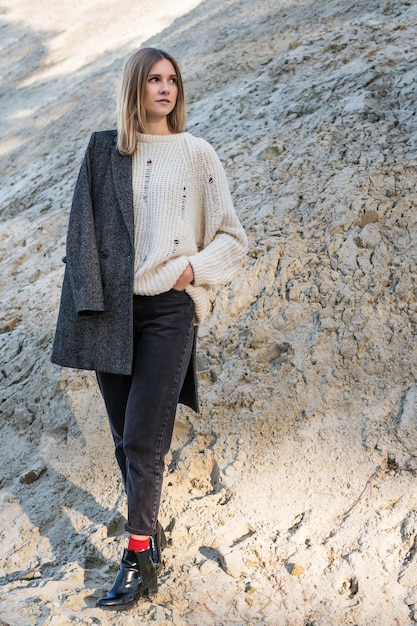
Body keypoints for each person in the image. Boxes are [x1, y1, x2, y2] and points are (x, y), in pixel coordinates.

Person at [51, 46, 247, 611]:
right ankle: (150, 532)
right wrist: (87, 308)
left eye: (173, 80)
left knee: (142, 437)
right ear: (134, 88)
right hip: (111, 313)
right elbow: (79, 234)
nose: (165, 89)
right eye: (154, 80)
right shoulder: (105, 150)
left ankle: (138, 557)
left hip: (168, 310)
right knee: (122, 440)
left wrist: (192, 272)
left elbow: (232, 239)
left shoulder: (197, 153)